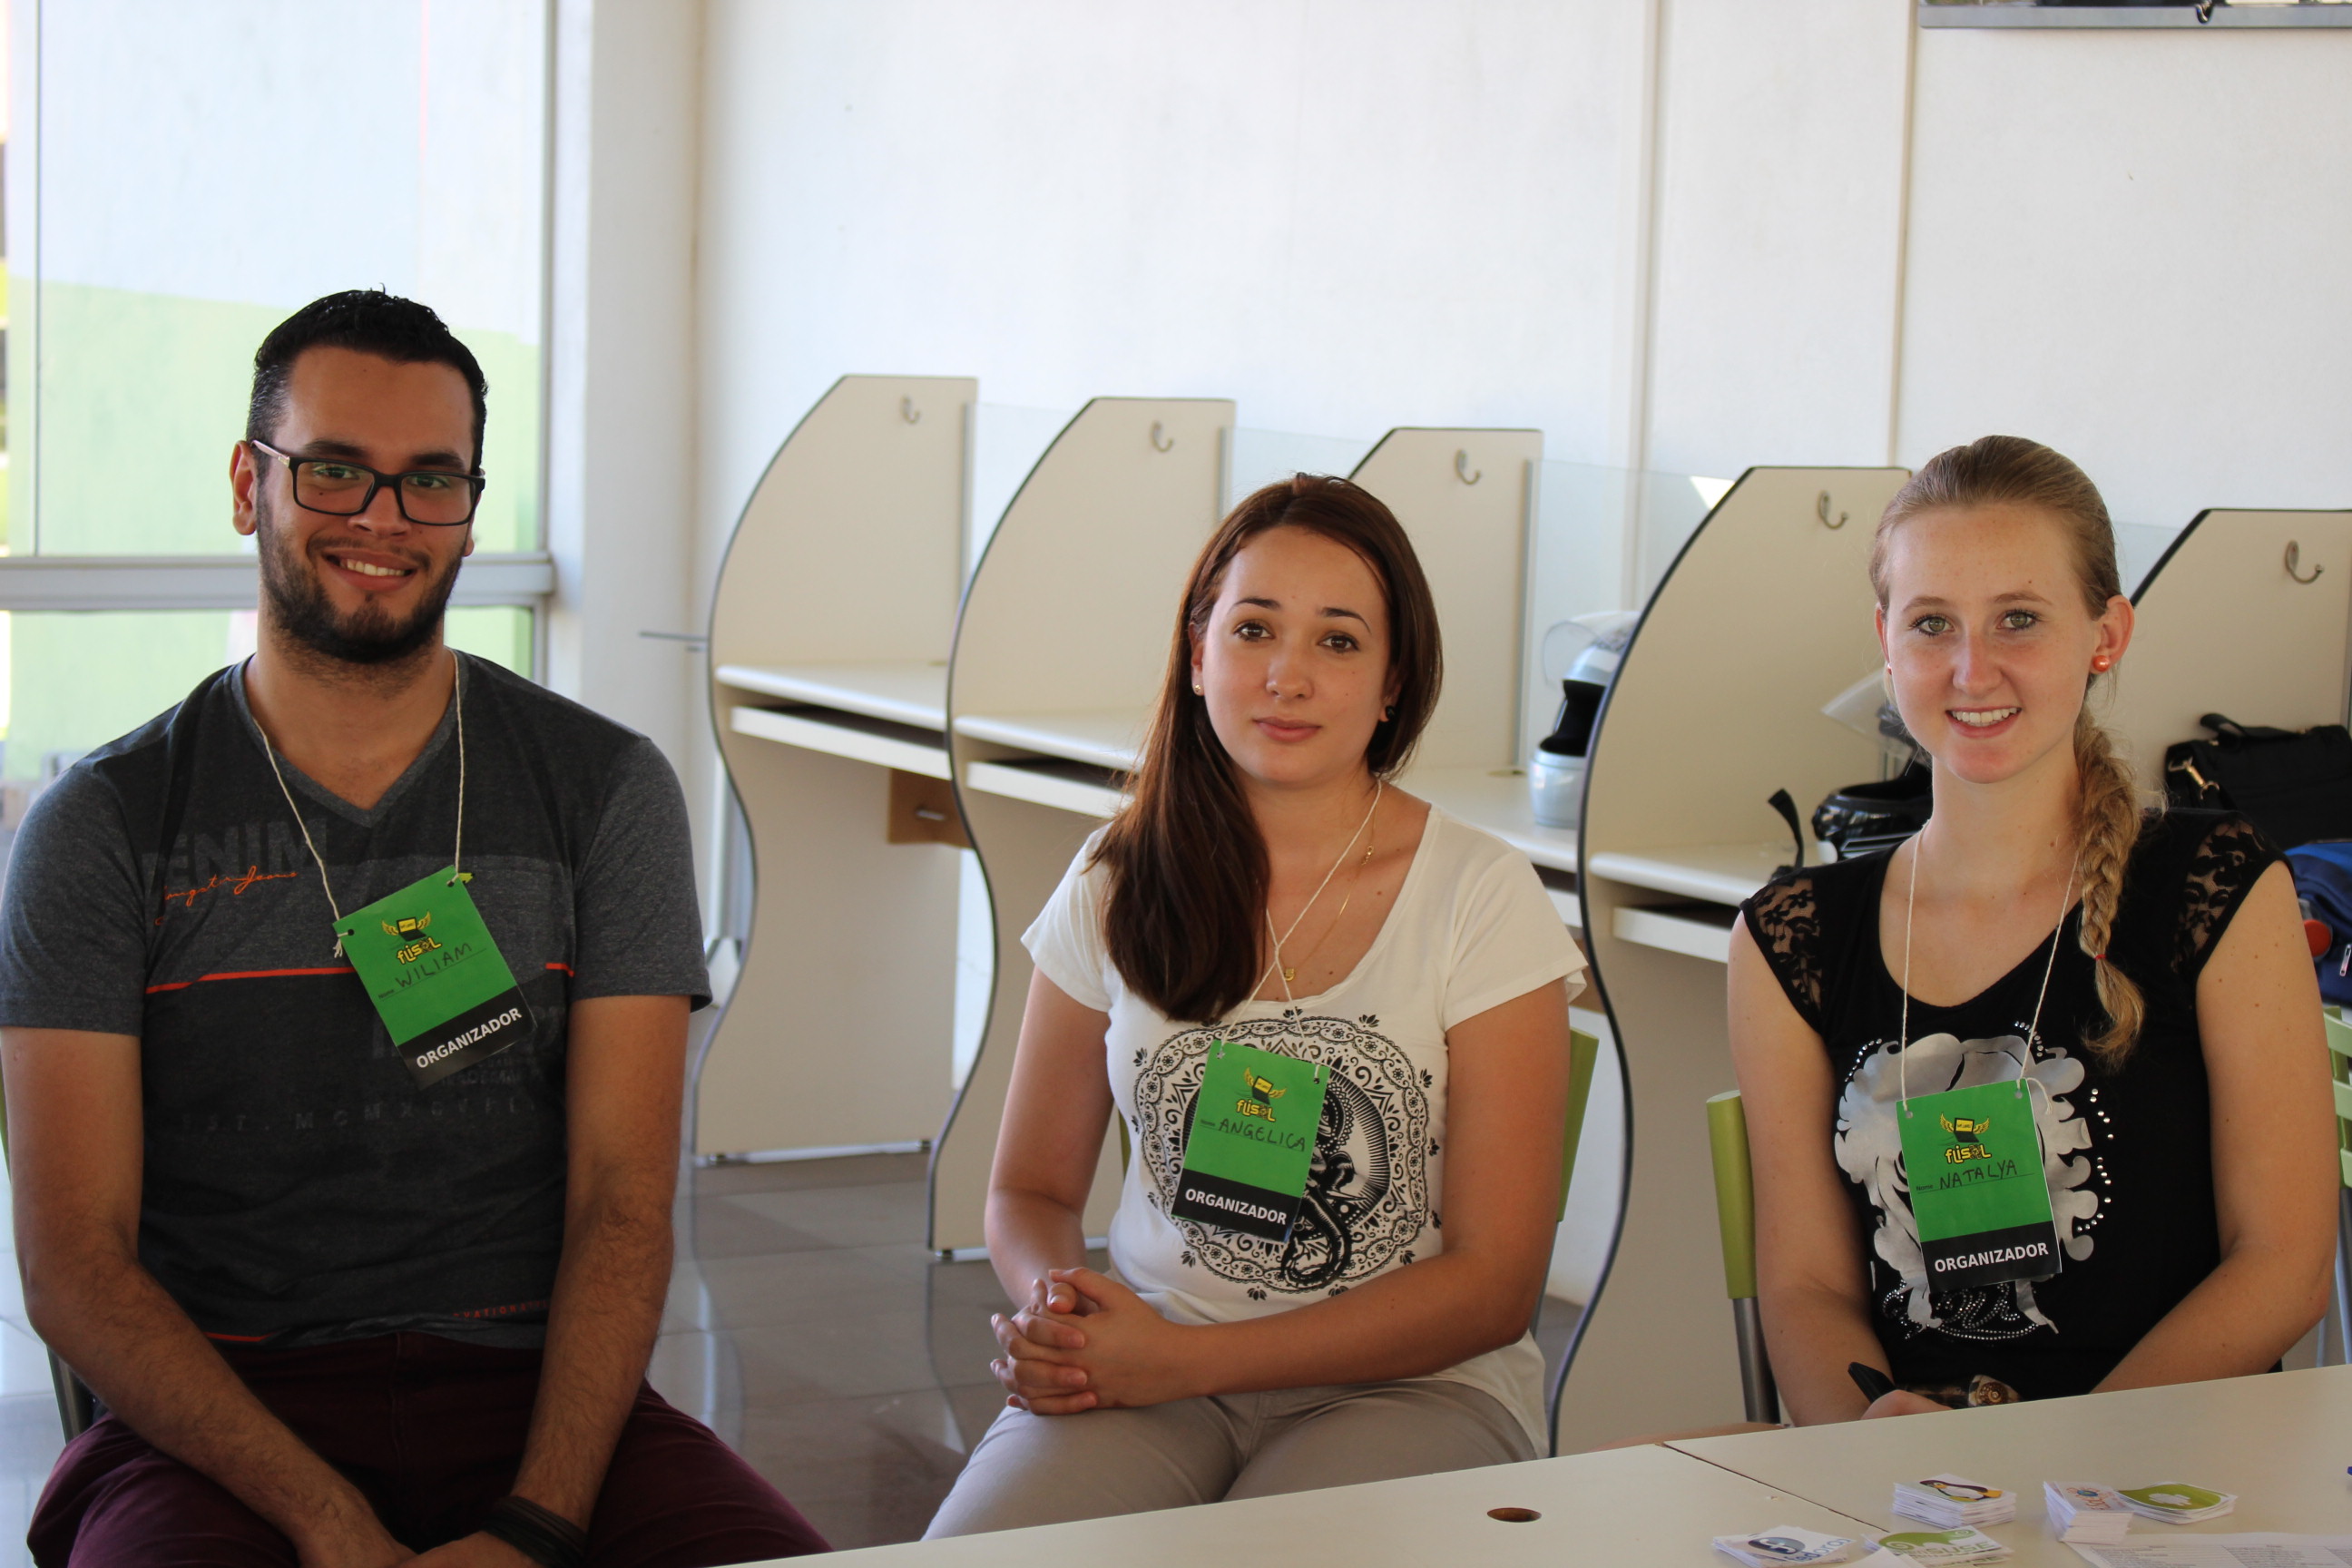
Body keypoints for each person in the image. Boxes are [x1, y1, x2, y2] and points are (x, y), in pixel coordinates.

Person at [1, 290, 826, 1565]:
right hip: (222, 1418)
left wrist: (537, 1521)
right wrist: (328, 1520)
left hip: (541, 1405)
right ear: (249, 485)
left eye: (430, 480)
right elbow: (74, 1264)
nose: (383, 519)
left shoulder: (603, 790)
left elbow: (622, 1202)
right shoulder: (104, 824)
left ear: (471, 512)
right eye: (334, 470)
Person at [926, 475, 1586, 1536]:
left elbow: (1495, 1285)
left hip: (1409, 1388)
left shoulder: (1481, 894)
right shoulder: (1115, 879)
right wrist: (1065, 1310)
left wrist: (1182, 1362)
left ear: (1392, 683)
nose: (1288, 676)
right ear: (1198, 656)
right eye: (1253, 629)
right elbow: (1028, 1188)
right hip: (1148, 1362)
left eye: (1338, 641)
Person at [1730, 435, 2336, 1426]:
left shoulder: (2216, 888)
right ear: (1886, 640)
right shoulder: (1789, 940)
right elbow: (1807, 1290)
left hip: (2160, 1465)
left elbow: (2285, 1265)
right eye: (1932, 623)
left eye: (2019, 618)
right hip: (1911, 1476)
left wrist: (2055, 1465)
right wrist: (1871, 1443)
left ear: (2106, 634)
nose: (1973, 670)